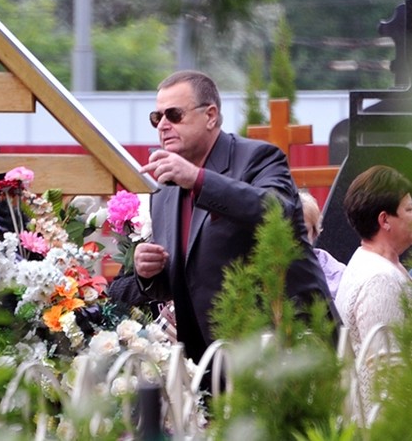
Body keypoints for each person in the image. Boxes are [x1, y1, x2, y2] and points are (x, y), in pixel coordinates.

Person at [132, 70, 338, 365]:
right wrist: (148, 271)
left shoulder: (259, 158)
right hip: (209, 360)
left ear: (210, 116)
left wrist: (199, 180)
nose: (163, 125)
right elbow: (190, 279)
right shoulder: (164, 191)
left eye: (174, 115)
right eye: (157, 118)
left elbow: (278, 212)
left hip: (284, 349)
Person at [334, 165, 412, 420]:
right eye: (409, 209)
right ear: (385, 220)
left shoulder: (374, 262)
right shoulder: (380, 279)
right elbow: (389, 373)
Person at [299, 190, 346, 299]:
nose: (297, 238)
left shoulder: (335, 274)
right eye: (290, 230)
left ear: (314, 233)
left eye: (303, 231)